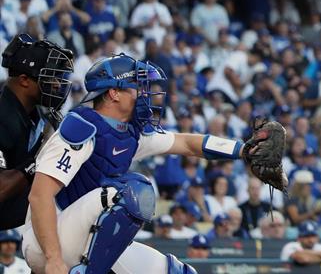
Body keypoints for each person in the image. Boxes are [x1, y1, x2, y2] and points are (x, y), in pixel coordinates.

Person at [21, 53, 257, 274]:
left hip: (89, 238)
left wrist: (245, 150)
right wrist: (53, 257)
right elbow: (40, 196)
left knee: (179, 271)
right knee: (132, 190)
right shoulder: (82, 126)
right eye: (137, 86)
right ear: (114, 93)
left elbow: (187, 144)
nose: (145, 94)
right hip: (48, 240)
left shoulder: (131, 132)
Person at [0, 34, 73, 229]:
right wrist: (38, 159)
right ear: (24, 80)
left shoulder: (37, 113)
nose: (57, 84)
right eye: (50, 77)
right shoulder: (3, 116)